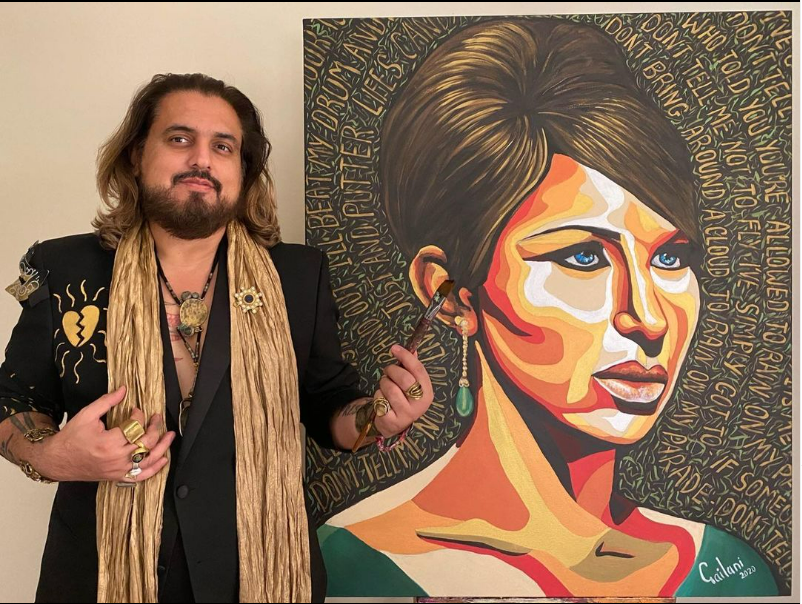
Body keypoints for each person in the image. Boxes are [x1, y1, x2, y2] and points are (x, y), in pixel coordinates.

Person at [319, 18, 778, 598]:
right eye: (583, 257)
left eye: (670, 258)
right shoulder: (355, 565)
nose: (650, 318)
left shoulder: (727, 572)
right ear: (454, 296)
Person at [0, 73, 434, 603]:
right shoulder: (66, 269)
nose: (201, 159)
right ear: (136, 155)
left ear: (243, 171)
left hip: (259, 574)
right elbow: (13, 399)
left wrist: (378, 417)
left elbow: (327, 405)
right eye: (179, 138)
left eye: (223, 146)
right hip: (99, 577)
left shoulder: (297, 276)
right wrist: (51, 457)